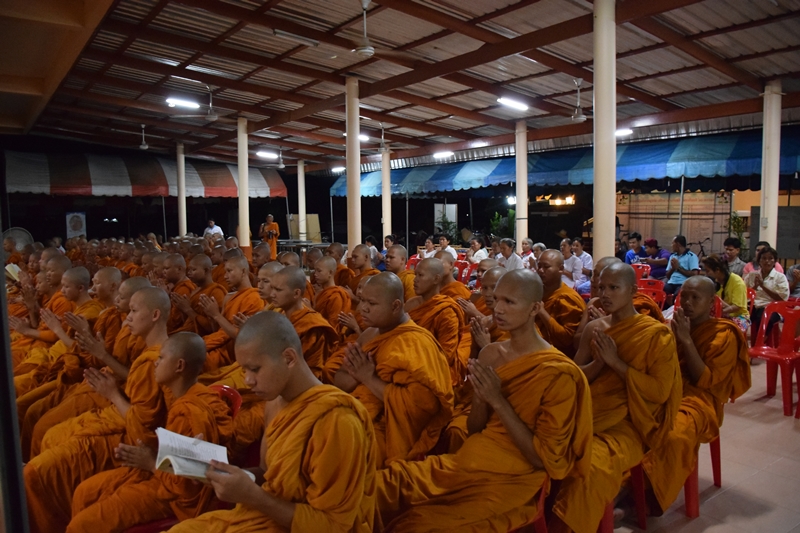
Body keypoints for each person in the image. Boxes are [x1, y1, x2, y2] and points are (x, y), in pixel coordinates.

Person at [378, 269, 592, 531]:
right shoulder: (491, 354)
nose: (498, 308)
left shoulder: (558, 373)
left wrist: (497, 400)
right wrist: (481, 398)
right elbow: (475, 428)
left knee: (418, 526)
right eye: (497, 299)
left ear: (535, 308)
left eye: (509, 302)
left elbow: (542, 459)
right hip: (465, 462)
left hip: (512, 478)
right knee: (380, 489)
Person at [166, 312, 377, 532]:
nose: (247, 380)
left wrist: (254, 496)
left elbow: (333, 526)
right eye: (244, 370)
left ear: (289, 358)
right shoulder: (274, 402)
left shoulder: (338, 420)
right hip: (265, 518)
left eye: (255, 369)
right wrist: (219, 472)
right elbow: (267, 474)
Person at [24, 287, 171, 533]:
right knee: (49, 436)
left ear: (155, 315)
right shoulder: (146, 350)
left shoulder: (159, 361)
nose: (128, 317)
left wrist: (112, 391)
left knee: (38, 470)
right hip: (115, 410)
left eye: (134, 311)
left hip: (135, 438)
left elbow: (145, 431)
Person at [550, 263, 680, 533]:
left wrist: (616, 363)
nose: (605, 294)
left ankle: (568, 524)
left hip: (631, 423)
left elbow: (659, 392)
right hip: (589, 411)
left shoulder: (656, 334)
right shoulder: (594, 329)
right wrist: (599, 363)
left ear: (632, 290)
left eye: (613, 287)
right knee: (542, 445)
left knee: (590, 466)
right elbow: (576, 377)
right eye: (601, 287)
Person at [66, 332, 234, 532]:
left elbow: (186, 486)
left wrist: (150, 463)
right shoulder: (187, 398)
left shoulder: (190, 411)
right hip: (162, 470)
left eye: (161, 358)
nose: (155, 363)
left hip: (174, 494)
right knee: (85, 492)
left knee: (81, 525)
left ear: (179, 366)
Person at [640, 276, 750, 516]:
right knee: (633, 421)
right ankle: (627, 486)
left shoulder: (724, 334)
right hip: (670, 392)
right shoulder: (678, 325)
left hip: (700, 402)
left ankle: (643, 497)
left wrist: (686, 340)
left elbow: (705, 380)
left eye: (695, 298)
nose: (687, 303)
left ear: (711, 302)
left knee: (675, 434)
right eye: (684, 296)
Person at [22, 276, 150, 462]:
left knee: (45, 429)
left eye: (123, 299)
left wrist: (96, 349)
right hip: (86, 376)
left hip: (108, 389)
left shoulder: (144, 339)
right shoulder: (112, 316)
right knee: (34, 414)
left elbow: (125, 373)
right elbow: (95, 355)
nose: (117, 300)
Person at [332, 273, 454, 466]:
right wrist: (360, 376)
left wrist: (369, 378)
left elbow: (424, 406)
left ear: (396, 306)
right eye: (362, 300)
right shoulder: (369, 334)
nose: (362, 308)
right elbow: (339, 378)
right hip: (354, 411)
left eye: (371, 303)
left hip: (390, 430)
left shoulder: (417, 343)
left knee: (341, 455)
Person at [14, 267, 105, 401]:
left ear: (80, 288)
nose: (62, 291)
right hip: (48, 355)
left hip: (57, 362)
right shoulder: (78, 308)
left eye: (66, 287)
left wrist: (57, 329)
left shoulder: (90, 312)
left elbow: (82, 350)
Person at [270, 266, 339, 380]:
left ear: (296, 293)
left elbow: (311, 371)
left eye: (278, 290)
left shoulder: (312, 326)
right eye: (272, 288)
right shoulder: (278, 314)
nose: (272, 294)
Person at [406, 259, 468, 386]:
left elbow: (446, 355)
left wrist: (415, 362)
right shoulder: (410, 304)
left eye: (421, 275)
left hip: (433, 370)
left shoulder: (446, 311)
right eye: (415, 274)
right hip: (406, 361)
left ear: (436, 279)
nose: (415, 280)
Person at [197, 256, 263, 373]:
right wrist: (211, 316)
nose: (225, 276)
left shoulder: (254, 298)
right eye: (225, 272)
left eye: (229, 271)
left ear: (243, 271)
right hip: (217, 347)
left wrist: (216, 315)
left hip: (232, 354)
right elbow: (218, 331)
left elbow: (243, 337)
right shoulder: (228, 297)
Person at [9, 254, 76, 367]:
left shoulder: (64, 301)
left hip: (43, 348)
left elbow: (54, 336)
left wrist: (26, 330)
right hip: (33, 342)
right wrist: (31, 309)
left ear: (64, 273)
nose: (48, 274)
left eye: (52, 271)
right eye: (47, 270)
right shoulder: (55, 297)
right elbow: (38, 326)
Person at [535, 250, 586, 359]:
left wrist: (542, 312)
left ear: (561, 269)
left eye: (546, 267)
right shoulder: (536, 292)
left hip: (557, 357)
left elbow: (567, 339)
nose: (540, 270)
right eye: (539, 266)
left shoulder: (568, 298)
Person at [169, 254, 227, 336]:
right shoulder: (195, 291)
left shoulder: (216, 292)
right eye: (189, 270)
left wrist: (188, 310)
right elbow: (188, 322)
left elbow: (214, 327)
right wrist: (183, 309)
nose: (189, 273)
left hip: (201, 338)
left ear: (206, 270)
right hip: (188, 333)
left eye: (193, 269)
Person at [744, 246, 789, 344]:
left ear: (775, 261)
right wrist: (755, 287)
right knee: (741, 316)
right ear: (759, 261)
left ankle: (759, 344)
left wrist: (763, 286)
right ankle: (740, 342)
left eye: (770, 258)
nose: (767, 261)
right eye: (764, 258)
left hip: (772, 307)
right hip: (753, 305)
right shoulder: (752, 275)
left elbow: (782, 298)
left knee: (764, 318)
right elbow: (744, 294)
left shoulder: (780, 277)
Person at [702, 254, 750, 333]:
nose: (706, 274)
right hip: (723, 314)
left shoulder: (737, 282)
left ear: (717, 270)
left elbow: (736, 307)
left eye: (708, 271)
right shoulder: (716, 281)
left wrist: (718, 311)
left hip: (740, 317)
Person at [312, 256, 352, 335]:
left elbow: (332, 326)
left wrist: (310, 310)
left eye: (319, 271)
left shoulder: (336, 295)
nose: (315, 274)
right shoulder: (322, 292)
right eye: (315, 270)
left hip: (329, 336)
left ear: (330, 273)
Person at [162, 254, 197, 334]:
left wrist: (164, 297)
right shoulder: (175, 287)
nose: (163, 272)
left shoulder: (183, 290)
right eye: (163, 268)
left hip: (178, 334)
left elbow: (175, 322)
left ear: (179, 269)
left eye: (166, 268)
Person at [664, 235, 700, 304]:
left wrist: (678, 268)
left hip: (683, 283)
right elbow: (668, 276)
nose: (671, 245)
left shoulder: (691, 256)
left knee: (677, 295)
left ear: (678, 244)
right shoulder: (672, 256)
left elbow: (694, 274)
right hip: (671, 283)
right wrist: (673, 268)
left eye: (673, 243)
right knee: (661, 293)